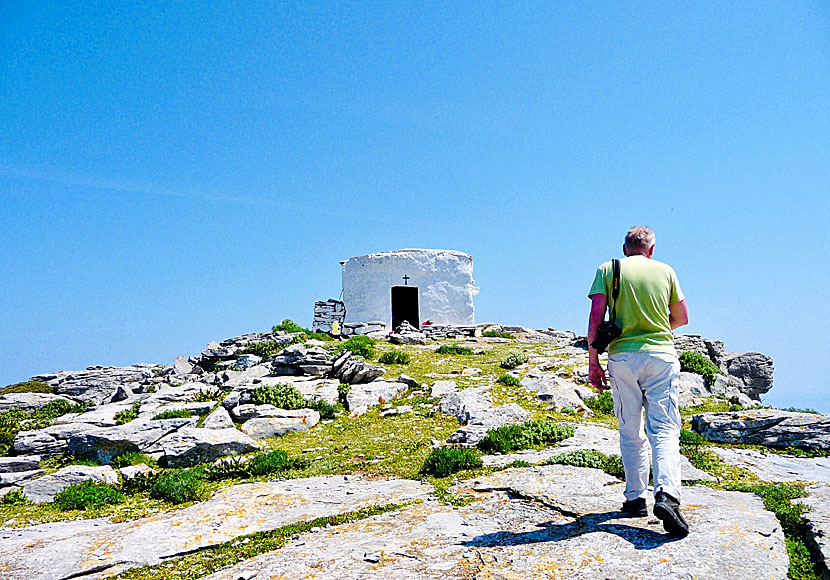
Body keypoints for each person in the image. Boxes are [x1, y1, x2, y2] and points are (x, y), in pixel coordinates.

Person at [587, 226, 690, 538]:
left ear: (624, 248)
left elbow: (595, 317)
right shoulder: (666, 271)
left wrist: (593, 362)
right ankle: (668, 496)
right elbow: (682, 317)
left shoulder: (608, 269)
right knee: (665, 431)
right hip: (661, 356)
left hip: (622, 358)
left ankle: (635, 499)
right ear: (652, 249)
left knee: (630, 430)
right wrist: (659, 327)